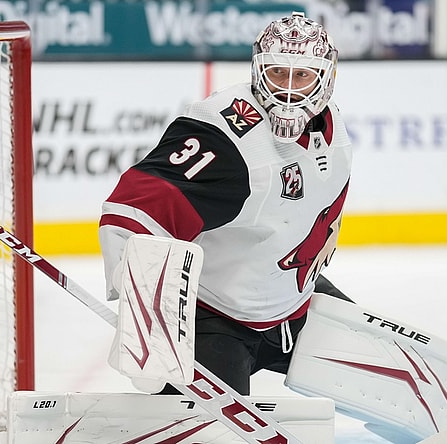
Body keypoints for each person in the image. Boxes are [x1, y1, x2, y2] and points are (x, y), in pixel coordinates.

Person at [99, 12, 352, 396]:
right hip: (216, 317)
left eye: (301, 76)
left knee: (397, 365)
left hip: (295, 302)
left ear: (326, 78)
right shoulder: (226, 138)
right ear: (257, 71)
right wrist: (146, 318)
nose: (287, 90)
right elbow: (132, 211)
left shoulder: (331, 123)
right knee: (211, 434)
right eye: (277, 74)